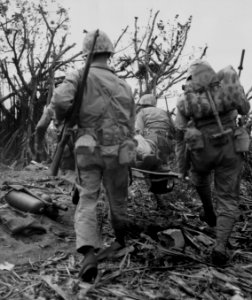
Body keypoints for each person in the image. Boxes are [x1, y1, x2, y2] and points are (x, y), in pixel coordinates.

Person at [51, 30, 136, 282]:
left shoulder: (78, 75)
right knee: (117, 199)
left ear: (87, 52)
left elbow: (60, 101)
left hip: (88, 146)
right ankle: (121, 239)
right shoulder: (124, 84)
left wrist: (63, 120)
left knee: (87, 197)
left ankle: (89, 254)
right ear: (109, 52)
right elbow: (131, 122)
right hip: (119, 149)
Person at [175, 59, 250, 265]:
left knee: (199, 178)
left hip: (202, 149)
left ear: (190, 78)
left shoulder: (184, 100)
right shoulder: (229, 91)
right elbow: (245, 109)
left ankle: (209, 211)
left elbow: (180, 136)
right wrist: (236, 88)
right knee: (228, 199)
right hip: (230, 148)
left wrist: (182, 169)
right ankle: (220, 246)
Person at [135, 93, 175, 170]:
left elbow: (138, 130)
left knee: (135, 138)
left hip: (151, 143)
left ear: (142, 103)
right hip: (166, 145)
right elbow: (174, 130)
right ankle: (162, 163)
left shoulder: (142, 112)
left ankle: (145, 155)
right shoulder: (165, 112)